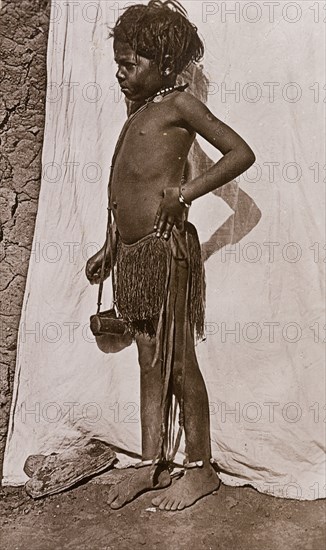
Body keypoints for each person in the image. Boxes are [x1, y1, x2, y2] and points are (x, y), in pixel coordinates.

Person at [86, 0, 255, 511]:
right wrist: (111, 244)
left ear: (163, 62)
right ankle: (150, 461)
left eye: (129, 63)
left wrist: (185, 194)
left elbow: (240, 153)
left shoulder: (181, 105)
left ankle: (201, 469)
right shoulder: (137, 111)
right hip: (133, 255)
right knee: (146, 359)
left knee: (179, 361)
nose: (119, 73)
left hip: (166, 253)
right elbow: (130, 184)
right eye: (117, 62)